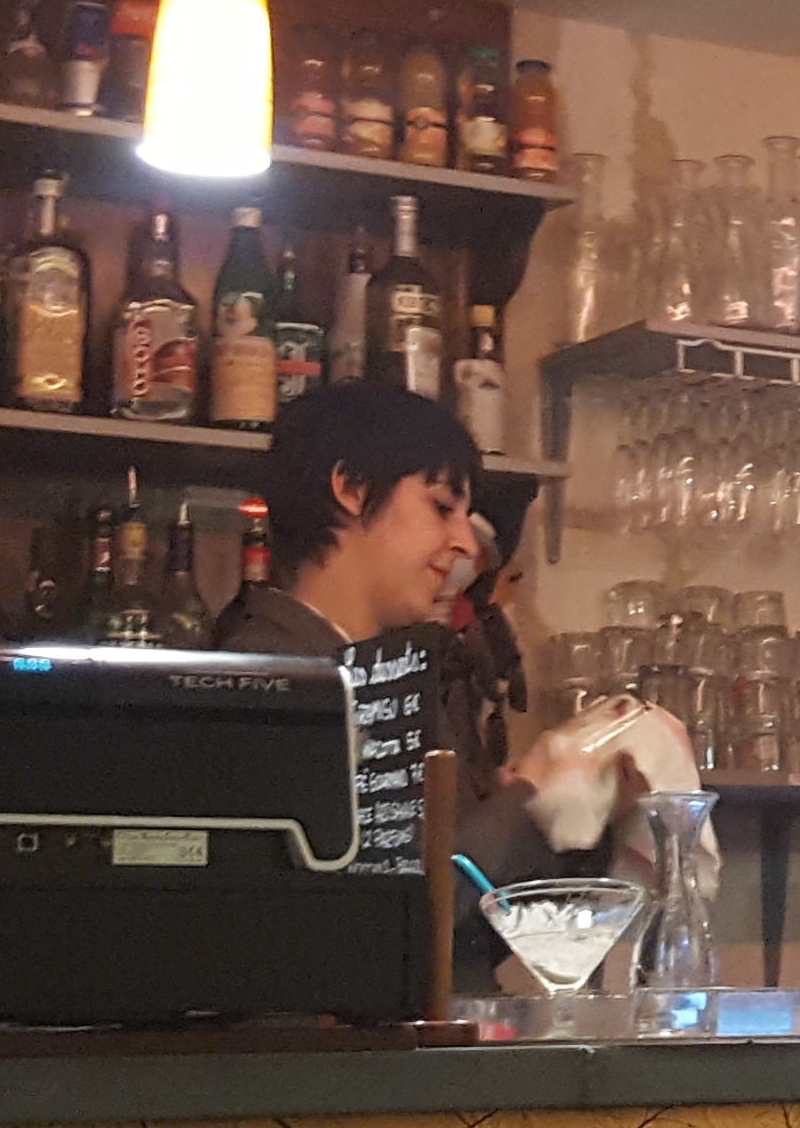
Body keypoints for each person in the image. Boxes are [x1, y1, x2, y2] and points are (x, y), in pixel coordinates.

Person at [209, 382, 689, 912]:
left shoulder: (390, 675)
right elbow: (385, 913)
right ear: (351, 489)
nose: (463, 543)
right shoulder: (266, 687)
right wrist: (526, 801)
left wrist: (583, 806)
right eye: (442, 507)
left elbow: (467, 913)